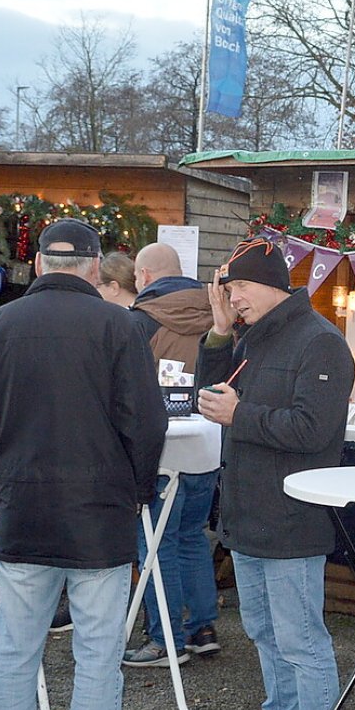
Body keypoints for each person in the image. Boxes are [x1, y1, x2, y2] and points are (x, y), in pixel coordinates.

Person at [0, 218, 167, 710]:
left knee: (15, 655)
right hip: (98, 518)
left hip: (24, 512)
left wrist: (9, 482)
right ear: (93, 266)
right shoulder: (117, 325)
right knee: (97, 658)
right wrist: (132, 492)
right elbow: (146, 424)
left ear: (40, 265)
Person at [198, 236, 354, 710]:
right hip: (247, 512)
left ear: (267, 285)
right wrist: (216, 333)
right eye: (228, 290)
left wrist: (245, 415)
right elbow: (207, 397)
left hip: (291, 519)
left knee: (302, 641)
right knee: (264, 631)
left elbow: (313, 431)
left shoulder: (321, 344)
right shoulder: (250, 338)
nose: (232, 298)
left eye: (236, 288)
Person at [123, 241, 223, 669]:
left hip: (161, 448)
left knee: (155, 544)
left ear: (143, 277)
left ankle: (165, 639)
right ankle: (202, 628)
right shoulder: (216, 313)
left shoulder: (141, 322)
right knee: (191, 537)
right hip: (206, 446)